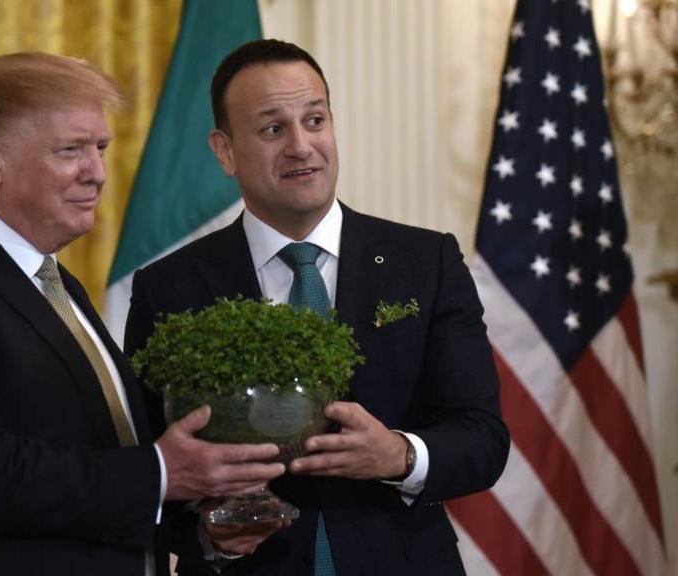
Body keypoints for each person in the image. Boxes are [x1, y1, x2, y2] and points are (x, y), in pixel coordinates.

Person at [0, 52, 285, 576]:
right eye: (71, 150)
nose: (97, 173)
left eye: (99, 148)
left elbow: (99, 457)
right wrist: (161, 472)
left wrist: (205, 528)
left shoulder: (54, 283)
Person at [124, 39, 510, 575]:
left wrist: (399, 455)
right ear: (225, 150)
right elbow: (147, 468)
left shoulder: (425, 262)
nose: (302, 146)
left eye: (315, 119)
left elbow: (482, 439)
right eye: (273, 129)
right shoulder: (169, 287)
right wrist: (210, 536)